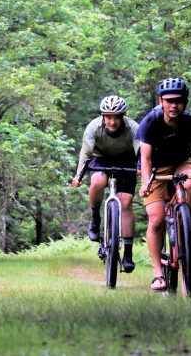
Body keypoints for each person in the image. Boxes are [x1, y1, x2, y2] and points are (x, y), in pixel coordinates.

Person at [137, 78, 191, 291]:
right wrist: (146, 183)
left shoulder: (190, 123)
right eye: (169, 101)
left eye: (179, 100)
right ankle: (158, 274)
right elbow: (145, 158)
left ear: (185, 102)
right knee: (156, 219)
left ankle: (189, 225)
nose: (174, 105)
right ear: (161, 101)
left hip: (181, 163)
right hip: (155, 169)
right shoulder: (150, 122)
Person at [72, 95, 140, 272]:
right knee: (97, 181)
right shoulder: (93, 127)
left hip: (126, 160)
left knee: (126, 202)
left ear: (123, 116)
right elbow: (86, 152)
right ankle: (95, 218)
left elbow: (141, 151)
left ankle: (128, 254)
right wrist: (79, 175)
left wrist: (142, 168)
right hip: (100, 159)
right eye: (108, 117)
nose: (112, 121)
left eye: (116, 117)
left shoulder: (133, 127)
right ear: (102, 115)